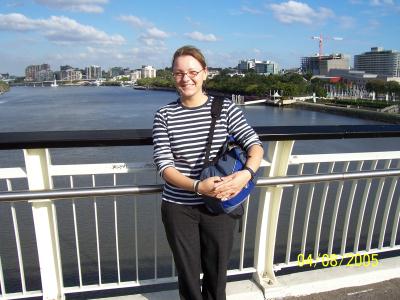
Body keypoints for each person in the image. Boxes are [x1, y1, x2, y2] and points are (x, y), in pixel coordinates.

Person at [152, 45, 264, 300]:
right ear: (173, 76)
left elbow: (254, 145)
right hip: (179, 206)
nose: (186, 78)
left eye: (192, 71)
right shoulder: (164, 115)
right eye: (179, 73)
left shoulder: (225, 109)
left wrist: (246, 174)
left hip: (220, 201)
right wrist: (196, 187)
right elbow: (164, 166)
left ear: (205, 73)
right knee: (188, 275)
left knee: (216, 274)